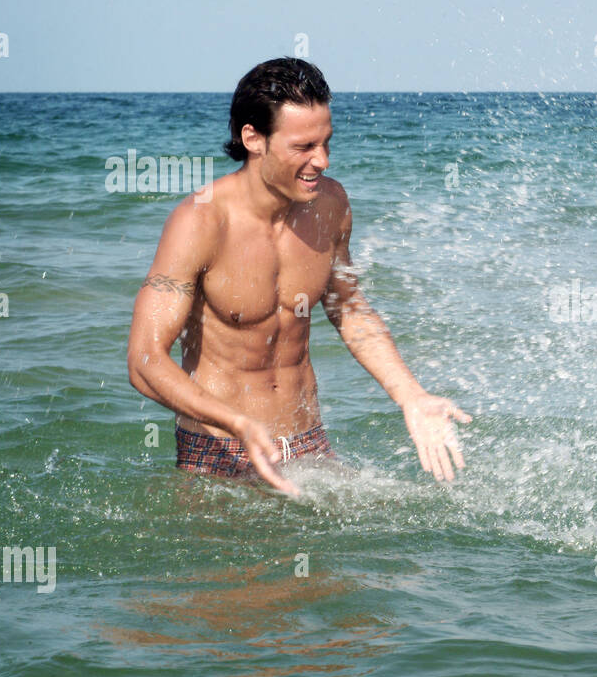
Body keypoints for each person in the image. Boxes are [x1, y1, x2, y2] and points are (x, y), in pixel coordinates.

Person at [127, 57, 470, 496]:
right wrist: (236, 423)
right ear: (253, 138)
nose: (321, 160)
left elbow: (347, 307)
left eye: (326, 143)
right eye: (303, 147)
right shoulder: (200, 223)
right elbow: (144, 361)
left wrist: (411, 396)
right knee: (231, 569)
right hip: (220, 451)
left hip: (309, 444)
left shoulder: (330, 206)